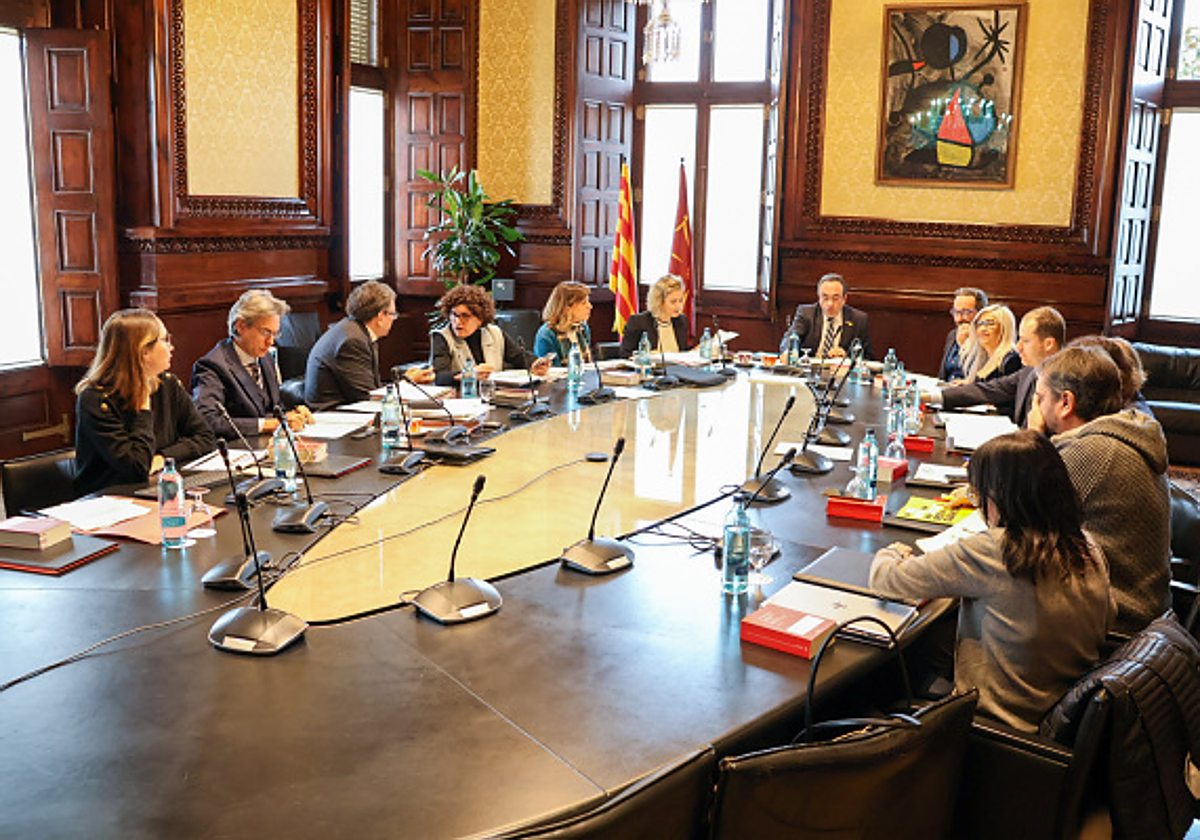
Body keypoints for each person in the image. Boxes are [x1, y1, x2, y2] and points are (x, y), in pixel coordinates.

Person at [869, 430, 1114, 732]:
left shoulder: (997, 550)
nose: (979, 507)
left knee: (882, 676)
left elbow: (886, 579)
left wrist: (891, 551)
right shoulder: (1087, 545)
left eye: (978, 496)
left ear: (1001, 497)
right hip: (1056, 709)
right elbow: (1108, 616)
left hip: (992, 724)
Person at [1034, 345, 1172, 637]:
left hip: (1116, 621)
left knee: (958, 623)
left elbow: (1018, 522)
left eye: (1040, 398)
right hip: (1142, 608)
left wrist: (1032, 435)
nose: (1037, 407)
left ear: (1065, 402)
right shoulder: (1122, 432)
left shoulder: (1090, 451)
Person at [74, 309, 216, 496]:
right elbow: (136, 467)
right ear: (143, 351)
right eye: (165, 340)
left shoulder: (167, 384)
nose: (171, 347)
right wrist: (143, 409)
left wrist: (162, 457)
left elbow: (205, 437)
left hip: (156, 489)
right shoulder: (95, 399)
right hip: (109, 501)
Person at [192, 290, 313, 440]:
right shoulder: (212, 365)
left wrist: (293, 414)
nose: (271, 342)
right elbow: (208, 421)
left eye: (275, 334)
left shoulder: (265, 357)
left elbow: (272, 407)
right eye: (265, 332)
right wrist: (269, 425)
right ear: (241, 326)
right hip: (237, 450)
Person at [935, 305, 1065, 427]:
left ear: (1048, 344)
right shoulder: (1028, 372)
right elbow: (987, 390)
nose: (1018, 347)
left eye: (1025, 341)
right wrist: (930, 397)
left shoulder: (1064, 383)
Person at [430, 283, 551, 387]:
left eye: (465, 316)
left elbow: (518, 357)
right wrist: (468, 375)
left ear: (480, 319)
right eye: (454, 315)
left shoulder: (494, 332)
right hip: (461, 399)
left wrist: (536, 364)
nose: (457, 321)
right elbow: (439, 376)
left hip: (493, 395)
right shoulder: (442, 336)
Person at [304, 280, 398, 411]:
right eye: (393, 314)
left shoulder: (354, 331)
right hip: (332, 417)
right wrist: (401, 385)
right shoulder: (352, 341)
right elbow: (366, 397)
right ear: (381, 316)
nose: (394, 319)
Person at [778, 273, 874, 360]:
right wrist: (788, 352)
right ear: (818, 297)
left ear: (844, 299)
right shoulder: (806, 313)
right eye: (825, 297)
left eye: (835, 298)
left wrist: (846, 357)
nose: (830, 304)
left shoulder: (858, 319)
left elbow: (867, 356)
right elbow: (791, 337)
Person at [619, 274, 690, 358]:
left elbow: (683, 353)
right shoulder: (638, 322)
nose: (679, 306)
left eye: (681, 301)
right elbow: (625, 354)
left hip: (676, 370)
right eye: (673, 302)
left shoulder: (681, 321)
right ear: (659, 301)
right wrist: (647, 355)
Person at [958, 303, 1021, 384]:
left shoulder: (1011, 360)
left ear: (1004, 328)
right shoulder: (982, 357)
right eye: (980, 324)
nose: (983, 328)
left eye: (990, 324)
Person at [533, 281, 593, 364]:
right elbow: (551, 370)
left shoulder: (582, 327)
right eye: (583, 303)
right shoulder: (547, 334)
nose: (590, 306)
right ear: (566, 307)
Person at [939, 287, 988, 381]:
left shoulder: (987, 339)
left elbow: (979, 379)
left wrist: (965, 347)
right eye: (956, 313)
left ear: (981, 313)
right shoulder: (953, 335)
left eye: (965, 313)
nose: (959, 319)